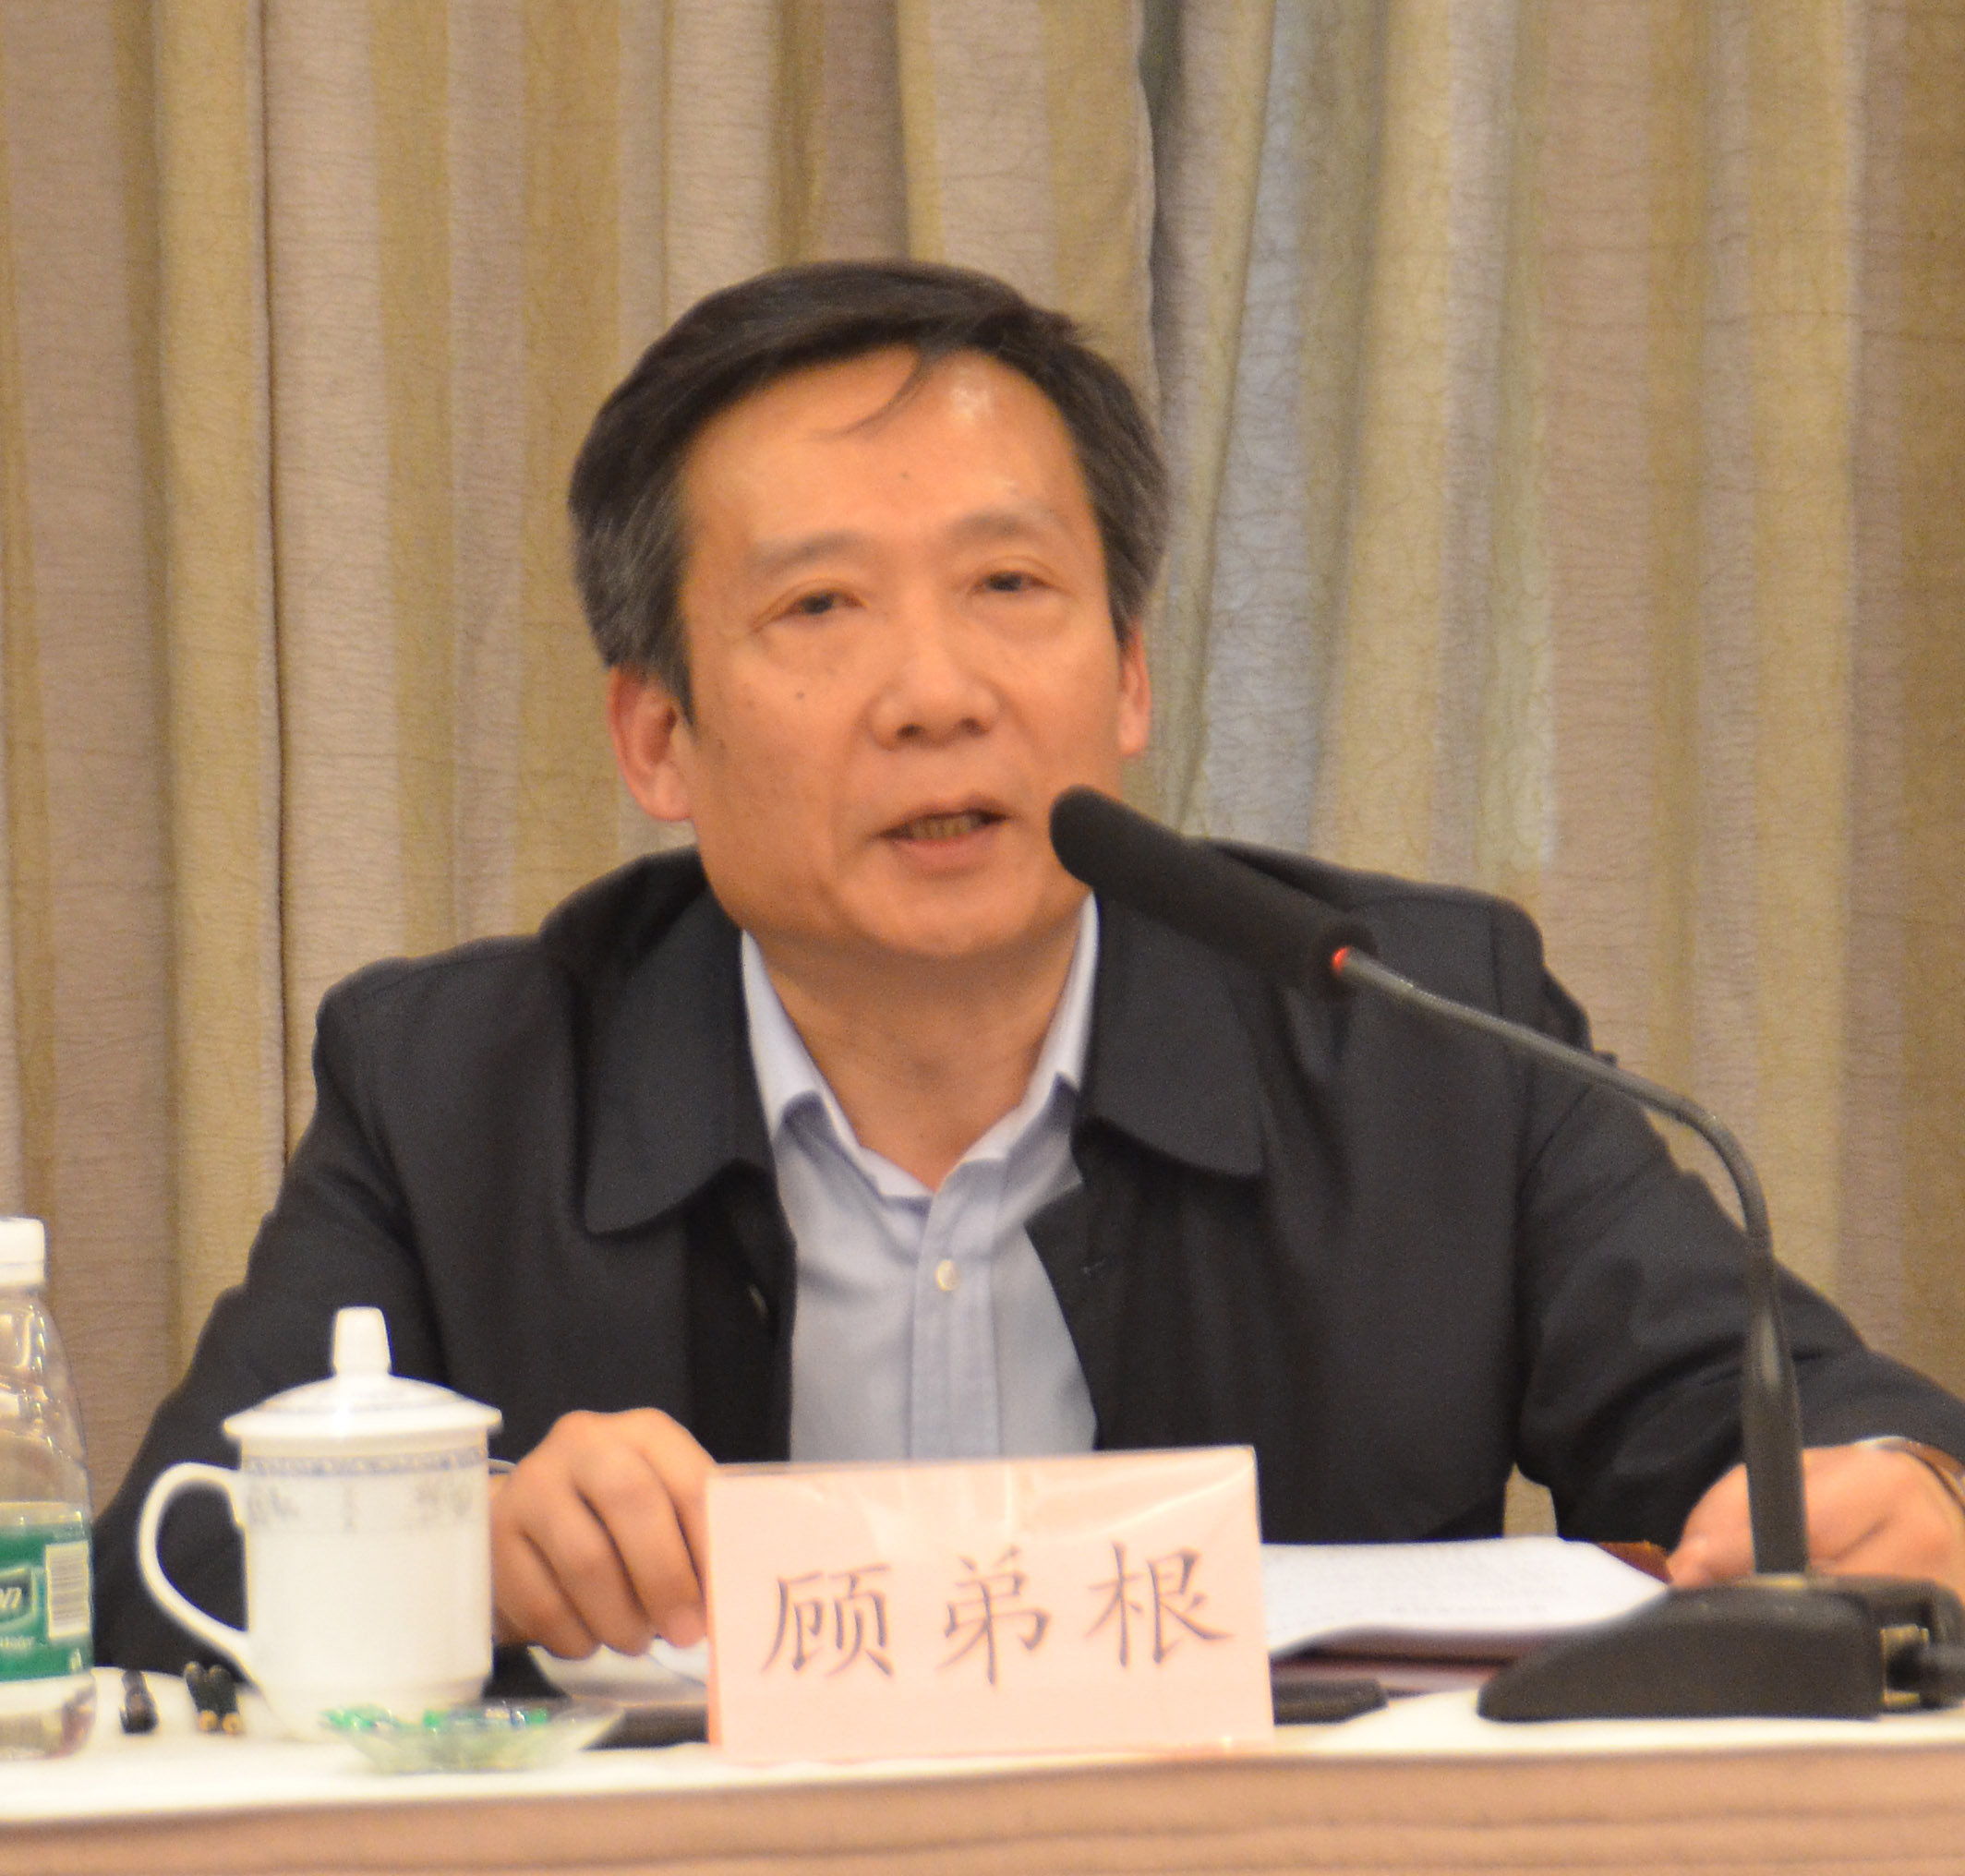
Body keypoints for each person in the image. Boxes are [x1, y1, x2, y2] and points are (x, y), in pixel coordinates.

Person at [95, 260, 1965, 1672]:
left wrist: (1901, 1494)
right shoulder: (459, 1088)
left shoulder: (1414, 1032)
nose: (938, 694)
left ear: (1130, 676)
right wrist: (461, 1550)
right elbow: (146, 1597)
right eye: (820, 607)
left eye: (1009, 588)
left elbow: (1807, 1429)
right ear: (656, 734)